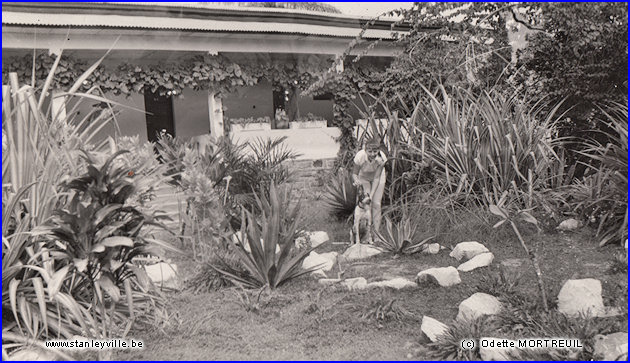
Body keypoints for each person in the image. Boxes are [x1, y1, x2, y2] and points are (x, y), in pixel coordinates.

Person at [351, 138, 387, 234]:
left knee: (376, 204)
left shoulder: (382, 158)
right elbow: (354, 173)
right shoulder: (360, 156)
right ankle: (365, 233)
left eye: (375, 151)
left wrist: (371, 194)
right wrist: (356, 180)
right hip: (364, 177)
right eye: (369, 151)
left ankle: (376, 233)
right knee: (366, 204)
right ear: (365, 150)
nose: (372, 154)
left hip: (378, 177)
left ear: (378, 150)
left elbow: (376, 178)